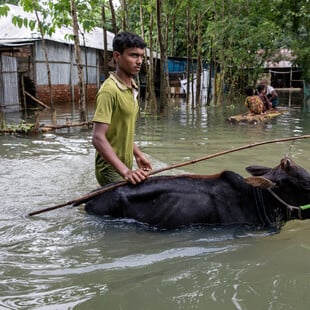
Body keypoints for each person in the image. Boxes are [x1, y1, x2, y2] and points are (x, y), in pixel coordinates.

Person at [92, 31, 152, 186]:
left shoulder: (132, 87)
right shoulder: (109, 90)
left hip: (125, 164)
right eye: (133, 55)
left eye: (141, 56)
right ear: (117, 56)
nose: (139, 61)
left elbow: (122, 131)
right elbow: (97, 138)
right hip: (111, 169)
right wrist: (125, 172)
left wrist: (138, 155)